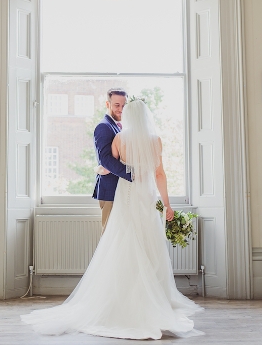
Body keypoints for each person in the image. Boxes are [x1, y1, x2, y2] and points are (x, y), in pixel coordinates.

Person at [21, 98, 204, 340]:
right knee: (148, 243)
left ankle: (120, 300)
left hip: (127, 195)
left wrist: (104, 169)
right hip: (146, 197)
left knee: (121, 242)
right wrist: (167, 204)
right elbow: (160, 174)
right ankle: (150, 300)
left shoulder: (120, 139)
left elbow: (109, 164)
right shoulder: (156, 141)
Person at [92, 88, 133, 234]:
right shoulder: (104, 127)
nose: (121, 109)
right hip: (110, 191)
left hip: (119, 190)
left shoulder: (117, 126)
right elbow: (106, 160)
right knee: (110, 237)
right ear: (107, 104)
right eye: (117, 105)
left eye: (124, 105)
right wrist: (132, 174)